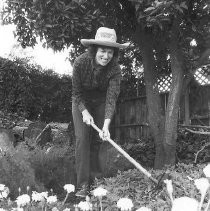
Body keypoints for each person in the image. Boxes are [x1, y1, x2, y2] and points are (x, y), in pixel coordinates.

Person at [72, 27, 128, 197]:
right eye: (102, 51)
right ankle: (82, 185)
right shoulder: (80, 62)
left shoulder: (115, 69)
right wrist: (84, 111)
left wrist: (105, 125)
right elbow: (76, 93)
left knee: (100, 140)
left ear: (114, 53)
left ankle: (97, 182)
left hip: (102, 101)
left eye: (110, 52)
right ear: (95, 49)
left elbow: (111, 98)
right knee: (82, 140)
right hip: (81, 101)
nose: (106, 56)